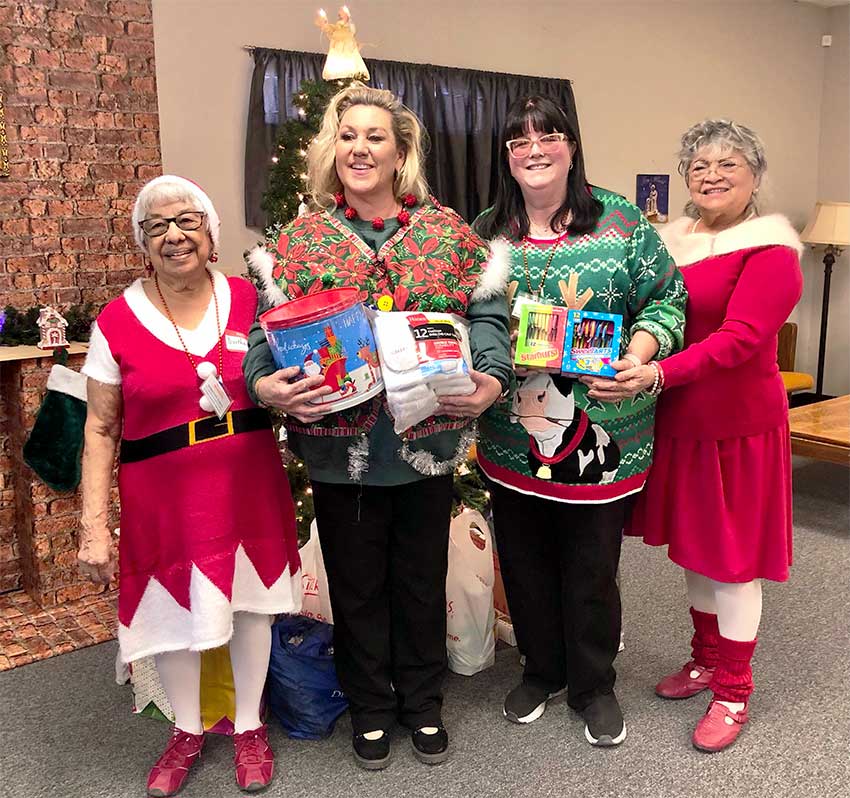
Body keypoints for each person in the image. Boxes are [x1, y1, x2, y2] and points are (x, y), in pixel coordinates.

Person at [244, 82, 512, 770]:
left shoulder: (448, 235)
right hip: (340, 455)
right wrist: (264, 383)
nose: (359, 148)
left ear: (401, 154)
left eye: (375, 137)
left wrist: (491, 375)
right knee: (357, 587)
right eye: (348, 136)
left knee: (421, 581)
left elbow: (487, 314)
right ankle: (371, 707)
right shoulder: (297, 244)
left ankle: (422, 703)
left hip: (425, 445)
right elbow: (262, 337)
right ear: (333, 151)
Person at [472, 95, 686, 747]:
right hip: (512, 441)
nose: (533, 150)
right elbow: (460, 314)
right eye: (518, 142)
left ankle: (593, 684)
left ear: (571, 145)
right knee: (526, 562)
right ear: (505, 157)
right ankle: (542, 670)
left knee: (591, 567)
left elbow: (668, 301)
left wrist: (637, 357)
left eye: (548, 136)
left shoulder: (621, 221)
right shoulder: (487, 229)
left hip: (603, 438)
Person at [79, 175, 302, 796]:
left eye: (188, 221)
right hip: (161, 495)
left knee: (252, 605)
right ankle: (186, 729)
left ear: (211, 232)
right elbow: (100, 427)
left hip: (247, 482)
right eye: (157, 227)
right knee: (169, 612)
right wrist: (94, 526)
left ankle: (251, 726)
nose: (175, 236)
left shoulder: (250, 299)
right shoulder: (116, 320)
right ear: (141, 241)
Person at [621, 120, 803, 752]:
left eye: (729, 163)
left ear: (755, 175)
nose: (713, 175)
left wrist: (658, 372)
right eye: (699, 165)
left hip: (735, 426)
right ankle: (703, 658)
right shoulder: (671, 242)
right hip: (679, 418)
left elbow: (741, 338)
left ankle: (733, 686)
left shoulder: (771, 250)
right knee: (696, 550)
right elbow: (653, 313)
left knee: (731, 560)